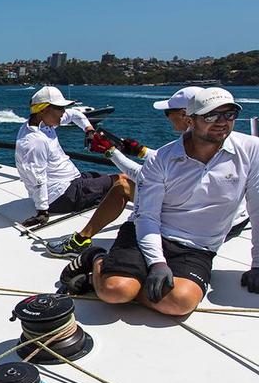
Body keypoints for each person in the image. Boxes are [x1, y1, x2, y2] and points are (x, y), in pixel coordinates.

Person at [60, 88, 259, 316]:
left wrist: (258, 264)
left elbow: (257, 209)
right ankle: (95, 257)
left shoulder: (252, 150)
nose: (222, 122)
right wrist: (157, 263)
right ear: (190, 120)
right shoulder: (162, 158)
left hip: (197, 246)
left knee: (180, 302)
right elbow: (147, 217)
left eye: (230, 114)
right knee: (115, 292)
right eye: (211, 116)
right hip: (150, 232)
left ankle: (130, 280)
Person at [45, 87, 200, 257]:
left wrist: (111, 152)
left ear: (185, 115)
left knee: (122, 186)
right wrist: (141, 151)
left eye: (168, 112)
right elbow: (168, 161)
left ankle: (80, 240)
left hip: (183, 218)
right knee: (125, 181)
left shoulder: (192, 144)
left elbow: (146, 178)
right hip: (202, 212)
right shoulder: (203, 138)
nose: (167, 116)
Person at [15, 86, 132, 229]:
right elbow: (36, 177)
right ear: (43, 109)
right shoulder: (35, 141)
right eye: (60, 108)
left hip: (71, 182)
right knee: (123, 180)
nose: (63, 113)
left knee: (111, 178)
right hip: (62, 196)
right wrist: (42, 211)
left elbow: (75, 114)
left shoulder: (44, 123)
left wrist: (89, 130)